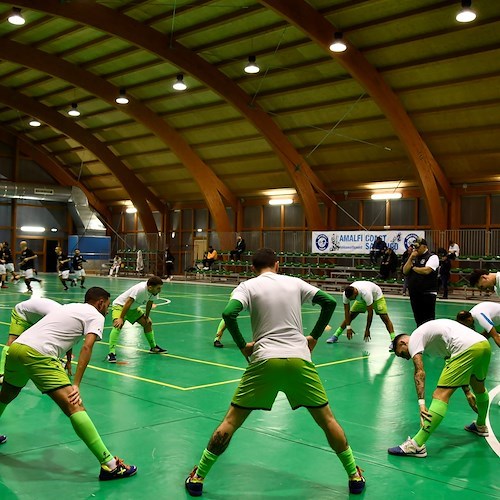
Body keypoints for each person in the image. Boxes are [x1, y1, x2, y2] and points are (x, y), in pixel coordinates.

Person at [185, 248, 365, 497]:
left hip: (264, 360)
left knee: (231, 421)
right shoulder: (295, 282)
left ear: (253, 268)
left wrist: (242, 346)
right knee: (327, 420)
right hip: (299, 359)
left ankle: (198, 477)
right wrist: (312, 337)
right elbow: (329, 302)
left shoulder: (247, 286)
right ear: (277, 264)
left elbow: (228, 313)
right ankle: (354, 475)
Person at [0, 287, 137, 480]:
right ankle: (110, 465)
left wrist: (67, 358)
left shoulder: (70, 308)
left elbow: (61, 332)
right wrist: (76, 384)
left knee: (6, 395)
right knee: (74, 406)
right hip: (40, 354)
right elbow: (87, 347)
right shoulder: (96, 316)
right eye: (107, 304)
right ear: (100, 302)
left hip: (16, 349)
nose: (107, 309)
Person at [388, 319, 491, 458]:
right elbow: (451, 359)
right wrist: (467, 391)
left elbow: (419, 372)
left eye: (401, 353)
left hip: (466, 348)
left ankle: (417, 445)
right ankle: (480, 425)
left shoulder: (415, 339)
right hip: (483, 345)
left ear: (403, 343)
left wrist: (421, 404)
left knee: (440, 396)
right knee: (479, 388)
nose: (405, 358)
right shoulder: (429, 339)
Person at [0, 297, 62, 384]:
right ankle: (1, 372)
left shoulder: (62, 317)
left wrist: (69, 361)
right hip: (21, 313)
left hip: (35, 317)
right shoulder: (56, 316)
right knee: (12, 341)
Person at [107, 276, 167, 363]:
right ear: (150, 287)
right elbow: (128, 302)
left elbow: (150, 303)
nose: (160, 290)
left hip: (132, 309)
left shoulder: (154, 292)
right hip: (120, 306)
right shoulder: (140, 289)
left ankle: (153, 347)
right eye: (158, 288)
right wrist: (121, 318)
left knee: (148, 323)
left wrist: (147, 316)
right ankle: (111, 353)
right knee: (118, 325)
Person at [326, 281, 396, 351]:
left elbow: (370, 313)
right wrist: (348, 327)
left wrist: (367, 329)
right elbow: (346, 312)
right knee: (351, 315)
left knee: (384, 318)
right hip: (361, 299)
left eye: (352, 298)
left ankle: (394, 341)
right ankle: (335, 336)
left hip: (376, 297)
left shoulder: (366, 293)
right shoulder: (346, 294)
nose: (350, 300)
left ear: (355, 292)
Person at [402, 237, 439, 326]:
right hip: (415, 293)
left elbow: (426, 270)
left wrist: (414, 268)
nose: (416, 249)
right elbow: (405, 271)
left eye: (418, 247)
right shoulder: (413, 257)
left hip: (427, 293)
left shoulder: (432, 257)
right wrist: (410, 258)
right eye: (415, 247)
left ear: (424, 247)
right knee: (418, 319)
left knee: (428, 320)